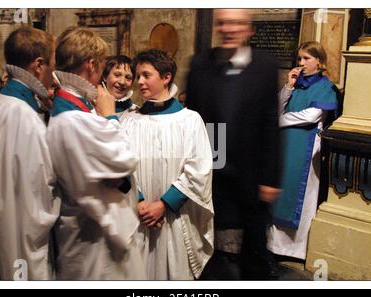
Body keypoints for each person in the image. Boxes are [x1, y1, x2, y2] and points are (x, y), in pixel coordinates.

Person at [186, 9, 281, 280]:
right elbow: (194, 119)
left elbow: (270, 123)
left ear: (249, 29)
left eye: (237, 23)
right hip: (213, 163)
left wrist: (270, 177)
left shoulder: (265, 66)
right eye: (224, 23)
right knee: (206, 236)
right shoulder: (200, 64)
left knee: (254, 243)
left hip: (253, 169)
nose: (229, 29)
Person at [47, 27, 146, 280]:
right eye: (103, 65)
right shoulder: (74, 118)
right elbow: (124, 159)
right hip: (94, 237)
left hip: (92, 230)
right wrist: (110, 116)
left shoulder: (72, 107)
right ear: (91, 64)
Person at [0, 26, 59, 280]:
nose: (54, 74)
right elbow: (37, 193)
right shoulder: (22, 115)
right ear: (38, 65)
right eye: (52, 65)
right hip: (17, 237)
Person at [121, 49, 214, 280]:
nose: (139, 81)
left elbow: (198, 170)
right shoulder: (128, 121)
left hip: (174, 218)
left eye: (146, 75)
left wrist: (164, 205)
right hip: (137, 216)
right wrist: (140, 201)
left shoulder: (190, 120)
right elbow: (121, 165)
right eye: (138, 75)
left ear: (166, 77)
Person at [267, 41, 339, 260]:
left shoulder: (326, 87)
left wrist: (280, 120)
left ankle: (295, 249)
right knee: (281, 190)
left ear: (319, 60)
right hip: (286, 144)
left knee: (300, 195)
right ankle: (273, 246)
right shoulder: (296, 84)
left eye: (307, 58)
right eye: (299, 59)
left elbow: (311, 116)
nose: (301, 63)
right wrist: (288, 86)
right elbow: (278, 106)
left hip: (307, 147)